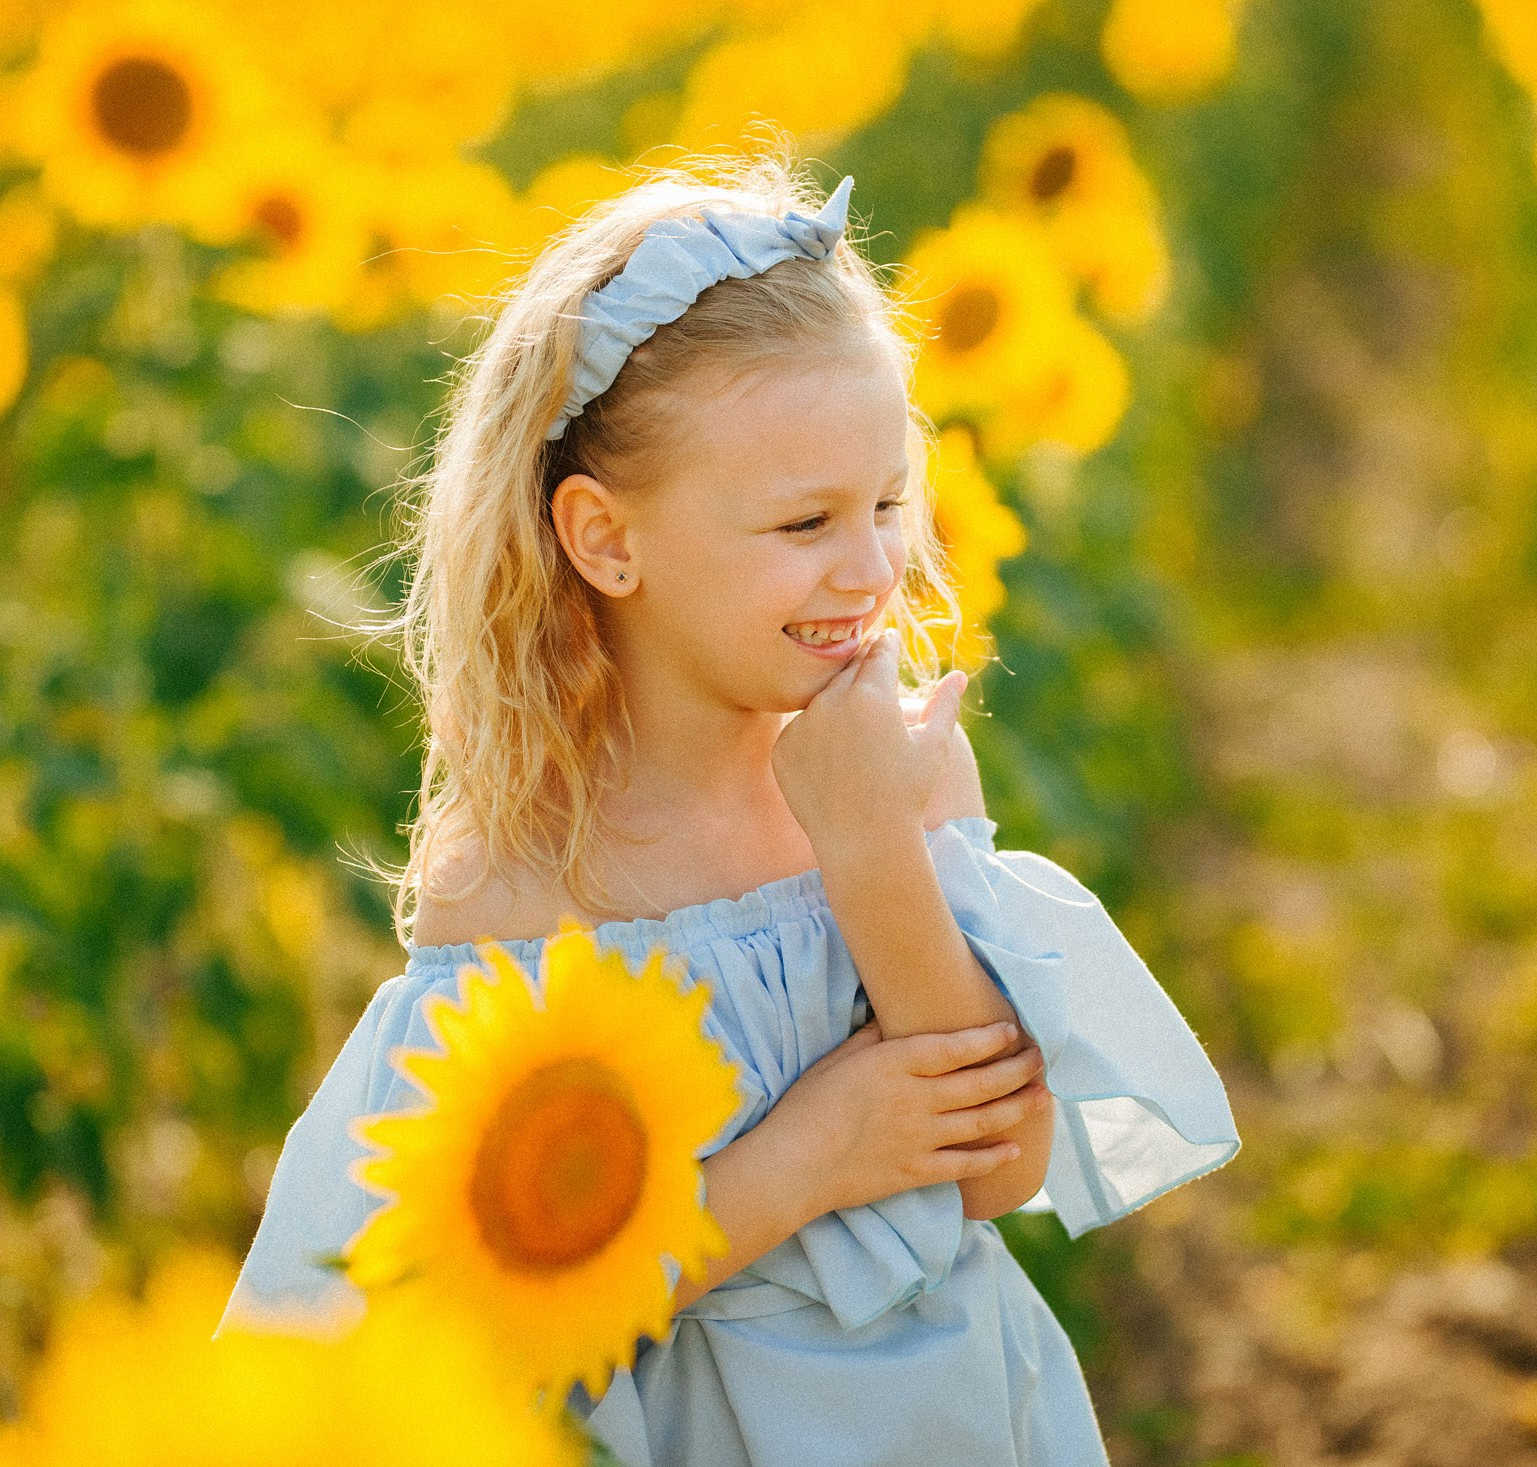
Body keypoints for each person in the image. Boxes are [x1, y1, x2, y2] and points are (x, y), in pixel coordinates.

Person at [220, 148, 1242, 1467]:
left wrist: (867, 843)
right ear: (606, 541)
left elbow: (997, 1165)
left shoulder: (909, 770)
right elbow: (492, 1329)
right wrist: (806, 1163)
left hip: (935, 1419)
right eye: (805, 521)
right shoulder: (530, 875)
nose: (873, 567)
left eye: (885, 503)